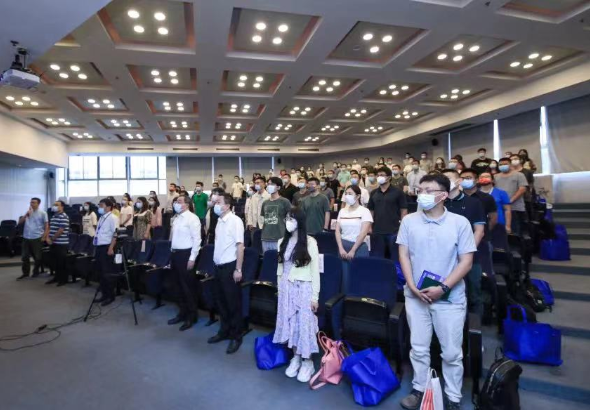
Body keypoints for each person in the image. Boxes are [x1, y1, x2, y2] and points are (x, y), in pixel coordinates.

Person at [397, 173, 476, 410]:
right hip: (416, 295)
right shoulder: (409, 221)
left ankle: (453, 396)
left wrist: (443, 287)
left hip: (449, 298)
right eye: (420, 190)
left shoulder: (460, 223)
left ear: (443, 195)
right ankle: (419, 388)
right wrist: (412, 285)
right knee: (419, 347)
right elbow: (403, 255)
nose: (422, 194)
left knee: (451, 352)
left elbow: (466, 262)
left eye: (428, 190)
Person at [274, 207, 320, 383]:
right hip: (286, 288)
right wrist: (280, 289)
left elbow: (315, 271)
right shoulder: (281, 242)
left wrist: (315, 296)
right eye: (286, 218)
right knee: (290, 323)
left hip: (303, 288)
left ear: (299, 221)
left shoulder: (310, 242)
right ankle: (296, 357)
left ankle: (308, 361)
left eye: (291, 219)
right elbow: (280, 269)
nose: (288, 222)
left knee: (304, 324)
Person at [442, 169, 486, 315]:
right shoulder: (439, 203)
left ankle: (475, 324)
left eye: (448, 178)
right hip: (444, 256)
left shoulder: (473, 202)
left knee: (474, 293)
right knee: (447, 294)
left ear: (458, 181)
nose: (445, 181)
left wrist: (466, 252)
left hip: (469, 256)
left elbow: (479, 231)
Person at [206, 193, 245, 354]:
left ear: (227, 206)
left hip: (230, 267)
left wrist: (238, 269)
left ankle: (236, 336)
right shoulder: (219, 221)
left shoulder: (235, 221)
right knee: (221, 301)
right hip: (218, 266)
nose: (215, 204)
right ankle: (224, 331)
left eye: (218, 202)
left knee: (232, 303)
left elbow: (240, 246)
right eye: (214, 202)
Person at [168, 195, 201, 331]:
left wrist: (192, 258)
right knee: (177, 287)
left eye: (179, 201)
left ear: (187, 204)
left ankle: (191, 316)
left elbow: (197, 240)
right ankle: (182, 313)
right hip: (175, 254)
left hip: (186, 255)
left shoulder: (192, 218)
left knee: (187, 288)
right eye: (176, 201)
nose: (176, 203)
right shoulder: (176, 218)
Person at [460, 168, 498, 282]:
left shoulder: (486, 198)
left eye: (468, 178)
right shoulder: (456, 198)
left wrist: (483, 232)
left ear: (476, 180)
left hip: (482, 240)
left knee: (484, 272)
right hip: (461, 240)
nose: (465, 180)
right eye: (462, 178)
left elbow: (493, 218)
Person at [368, 167, 408, 260]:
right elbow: (371, 210)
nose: (379, 177)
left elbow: (404, 210)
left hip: (394, 230)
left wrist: (403, 227)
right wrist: (369, 226)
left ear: (389, 177)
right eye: (378, 175)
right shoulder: (374, 193)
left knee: (395, 259)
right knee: (377, 259)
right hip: (377, 230)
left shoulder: (398, 192)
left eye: (382, 175)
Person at [335, 186, 372, 285]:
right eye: (346, 193)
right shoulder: (342, 211)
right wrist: (340, 248)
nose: (347, 196)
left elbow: (363, 233)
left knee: (358, 277)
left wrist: (353, 250)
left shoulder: (364, 211)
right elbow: (337, 231)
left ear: (358, 196)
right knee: (344, 278)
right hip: (343, 247)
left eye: (350, 194)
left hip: (358, 247)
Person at [93, 198, 118, 306]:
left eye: (101, 205)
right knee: (100, 272)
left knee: (107, 273)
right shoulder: (101, 217)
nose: (99, 207)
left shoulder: (113, 218)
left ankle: (110, 296)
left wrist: (111, 248)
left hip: (107, 247)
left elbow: (115, 234)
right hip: (99, 246)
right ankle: (104, 294)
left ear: (108, 207)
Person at [494, 157, 528, 235]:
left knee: (515, 233)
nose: (503, 166)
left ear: (510, 165)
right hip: (500, 209)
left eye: (505, 164)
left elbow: (522, 189)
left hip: (515, 208)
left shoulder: (519, 175)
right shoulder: (495, 176)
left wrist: (510, 201)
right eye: (501, 164)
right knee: (501, 232)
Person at [17, 197, 49, 280]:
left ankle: (36, 271)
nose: (32, 204)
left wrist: (44, 236)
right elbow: (20, 222)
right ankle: (25, 273)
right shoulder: (28, 212)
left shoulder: (43, 213)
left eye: (34, 202)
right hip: (26, 237)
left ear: (38, 204)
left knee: (37, 257)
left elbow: (46, 226)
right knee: (25, 257)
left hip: (37, 237)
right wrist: (26, 215)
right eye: (31, 202)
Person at [260, 177, 292, 252]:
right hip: (266, 237)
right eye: (268, 184)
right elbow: (263, 218)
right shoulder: (265, 203)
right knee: (267, 258)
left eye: (272, 184)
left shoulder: (285, 201)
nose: (269, 186)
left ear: (278, 187)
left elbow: (291, 219)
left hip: (280, 237)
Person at [45, 200, 70, 286]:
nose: (54, 206)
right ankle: (56, 277)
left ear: (62, 207)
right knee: (54, 262)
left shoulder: (64, 216)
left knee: (61, 263)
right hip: (53, 243)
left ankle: (63, 280)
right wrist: (47, 237)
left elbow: (61, 230)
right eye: (54, 205)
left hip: (61, 243)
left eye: (57, 205)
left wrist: (52, 239)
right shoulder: (54, 215)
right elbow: (50, 227)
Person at [510, 153, 535, 219]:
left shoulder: (528, 172)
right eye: (511, 159)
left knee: (525, 218)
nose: (513, 161)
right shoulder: (508, 172)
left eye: (515, 159)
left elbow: (530, 185)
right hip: (511, 197)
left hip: (525, 198)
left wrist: (529, 194)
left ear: (520, 160)